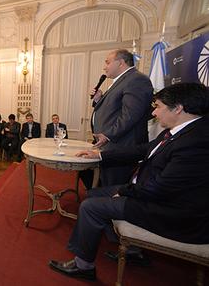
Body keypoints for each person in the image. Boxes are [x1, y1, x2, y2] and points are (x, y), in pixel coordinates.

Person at [48, 83, 209, 281]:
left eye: (158, 106)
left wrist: (124, 191)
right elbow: (142, 150)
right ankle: (132, 249)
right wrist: (99, 155)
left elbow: (162, 187)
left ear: (178, 108)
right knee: (92, 194)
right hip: (155, 195)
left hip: (173, 212)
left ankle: (83, 266)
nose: (154, 112)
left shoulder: (196, 142)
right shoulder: (181, 131)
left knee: (91, 206)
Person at [84, 49, 153, 188]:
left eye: (108, 62)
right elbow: (114, 109)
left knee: (113, 186)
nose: (105, 67)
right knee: (99, 181)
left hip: (121, 145)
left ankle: (103, 208)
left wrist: (108, 135)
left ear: (121, 62)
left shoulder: (136, 80)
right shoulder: (122, 80)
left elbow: (131, 115)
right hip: (110, 144)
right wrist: (98, 100)